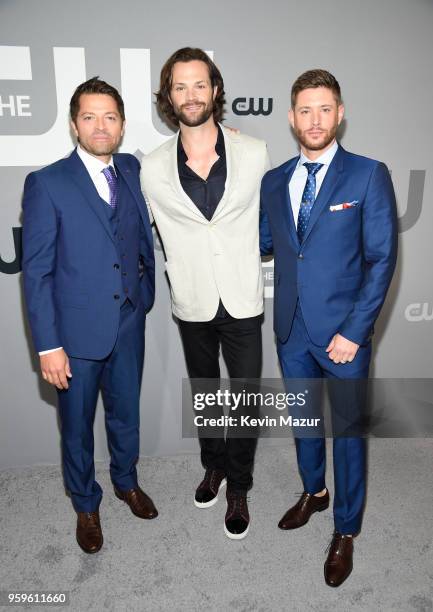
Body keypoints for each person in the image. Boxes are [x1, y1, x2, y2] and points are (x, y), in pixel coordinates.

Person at [260, 69, 397, 585]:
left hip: (344, 336)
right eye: (304, 110)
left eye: (324, 109)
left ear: (339, 113)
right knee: (305, 425)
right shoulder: (275, 181)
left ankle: (346, 529)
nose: (314, 120)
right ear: (292, 117)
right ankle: (315, 493)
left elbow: (381, 259)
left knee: (348, 432)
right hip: (291, 329)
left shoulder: (367, 174)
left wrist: (355, 331)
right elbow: (263, 242)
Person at [22, 77, 157, 554]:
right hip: (74, 334)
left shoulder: (132, 169)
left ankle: (126, 481)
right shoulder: (48, 182)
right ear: (75, 124)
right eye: (89, 117)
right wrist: (48, 344)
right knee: (77, 426)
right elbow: (36, 273)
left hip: (128, 320)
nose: (101, 126)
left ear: (121, 124)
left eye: (110, 117)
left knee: (126, 414)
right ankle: (85, 503)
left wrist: (141, 295)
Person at [141, 47, 269, 540]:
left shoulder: (253, 151)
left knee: (244, 395)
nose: (191, 95)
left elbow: (270, 219)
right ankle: (212, 466)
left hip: (241, 297)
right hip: (190, 299)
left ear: (214, 90)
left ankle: (238, 485)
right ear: (168, 97)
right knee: (206, 391)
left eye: (199, 84)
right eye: (180, 86)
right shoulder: (150, 166)